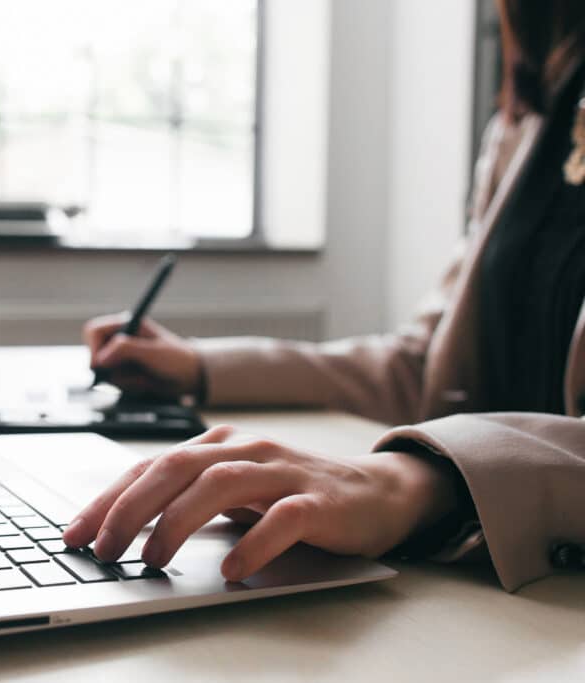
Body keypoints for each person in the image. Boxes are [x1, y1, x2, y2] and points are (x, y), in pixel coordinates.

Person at [63, 0, 585, 592]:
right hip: (478, 578)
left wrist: (421, 482)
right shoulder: (531, 115)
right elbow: (425, 365)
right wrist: (200, 367)